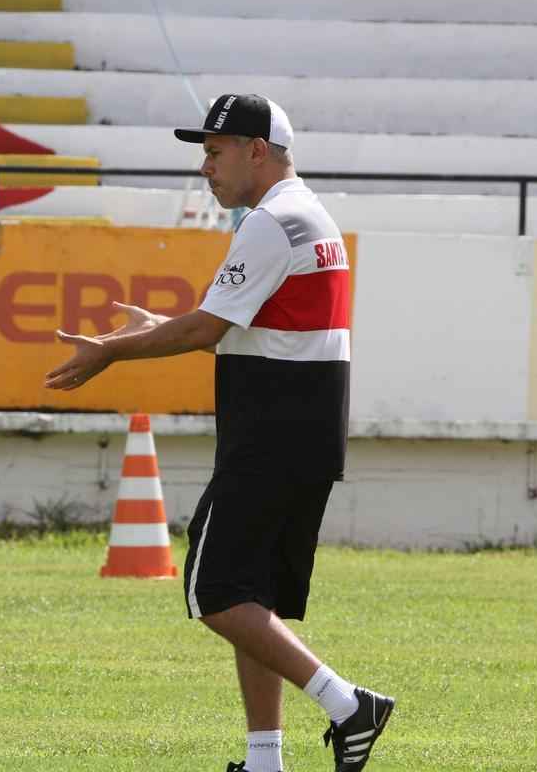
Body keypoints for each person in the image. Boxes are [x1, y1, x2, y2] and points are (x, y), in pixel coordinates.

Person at [45, 94, 393, 772]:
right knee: (253, 597)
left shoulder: (271, 222)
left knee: (215, 593)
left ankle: (349, 703)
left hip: (270, 434)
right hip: (304, 432)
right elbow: (252, 334)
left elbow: (207, 328)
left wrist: (109, 352)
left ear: (256, 150)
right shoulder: (309, 216)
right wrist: (154, 330)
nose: (205, 166)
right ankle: (265, 761)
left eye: (214, 151)